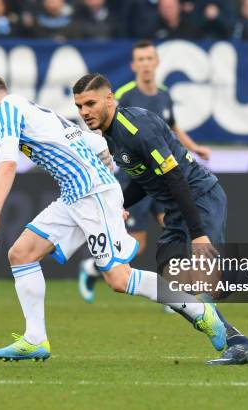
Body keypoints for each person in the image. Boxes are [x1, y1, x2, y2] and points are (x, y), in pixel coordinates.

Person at [0, 68, 227, 362]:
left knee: (119, 279)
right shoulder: (29, 109)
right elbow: (96, 145)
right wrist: (109, 189)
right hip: (75, 195)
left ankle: (198, 310)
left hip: (90, 194)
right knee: (21, 254)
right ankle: (34, 339)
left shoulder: (7, 110)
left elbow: (7, 163)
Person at [73, 73, 248, 364]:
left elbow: (175, 176)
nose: (84, 112)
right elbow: (143, 179)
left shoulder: (136, 128)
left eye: (90, 103)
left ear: (109, 98)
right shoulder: (111, 135)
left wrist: (198, 232)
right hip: (177, 206)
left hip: (199, 197)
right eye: (79, 106)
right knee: (173, 288)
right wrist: (118, 203)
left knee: (211, 282)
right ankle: (240, 337)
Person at [77, 40, 211, 305]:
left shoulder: (164, 94)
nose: (146, 64)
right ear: (133, 65)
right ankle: (92, 268)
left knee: (174, 226)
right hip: (135, 177)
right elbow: (110, 131)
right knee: (138, 241)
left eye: (150, 58)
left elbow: (171, 129)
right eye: (140, 60)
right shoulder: (124, 95)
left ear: (157, 62)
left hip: (161, 174)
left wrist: (193, 148)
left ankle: (177, 292)